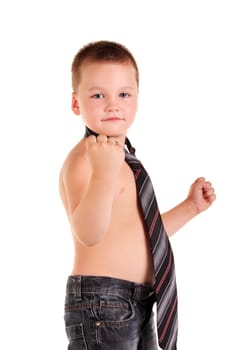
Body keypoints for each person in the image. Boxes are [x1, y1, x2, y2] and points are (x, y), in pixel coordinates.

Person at [59, 40, 216, 349]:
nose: (112, 104)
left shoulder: (124, 161)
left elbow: (141, 237)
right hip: (102, 302)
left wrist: (190, 208)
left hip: (137, 301)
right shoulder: (86, 159)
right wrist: (103, 172)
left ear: (137, 101)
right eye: (98, 95)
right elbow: (88, 233)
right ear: (77, 103)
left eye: (123, 94)